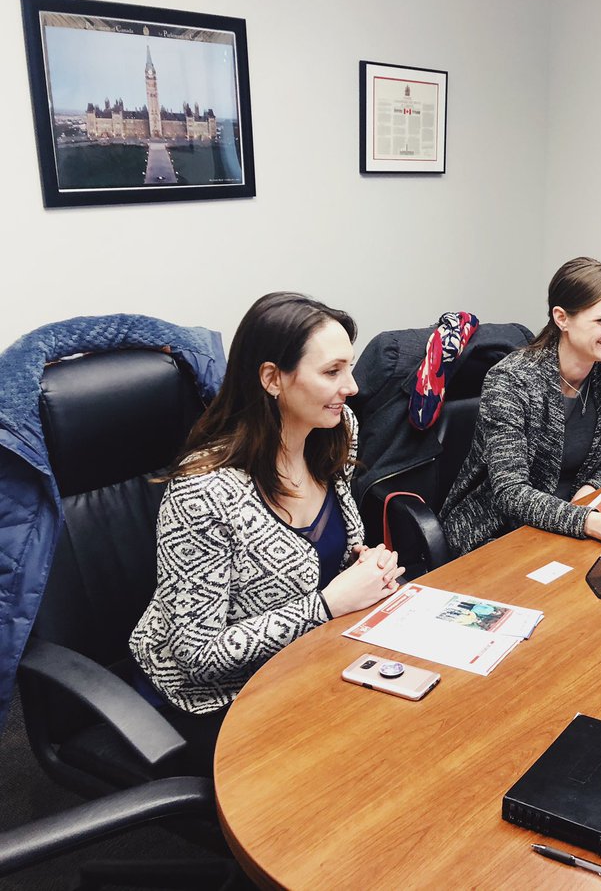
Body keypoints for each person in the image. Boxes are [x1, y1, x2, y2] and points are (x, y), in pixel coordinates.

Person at [129, 292, 402, 771]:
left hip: (308, 663)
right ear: (272, 379)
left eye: (350, 368)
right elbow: (198, 653)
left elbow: (326, 556)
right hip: (218, 700)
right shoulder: (204, 493)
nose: (353, 387)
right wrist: (328, 604)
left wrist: (366, 568)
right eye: (332, 372)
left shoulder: (335, 430)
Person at [440, 257, 601, 556]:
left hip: (580, 517)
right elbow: (510, 492)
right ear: (562, 318)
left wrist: (589, 492)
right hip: (499, 530)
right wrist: (589, 521)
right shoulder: (511, 380)